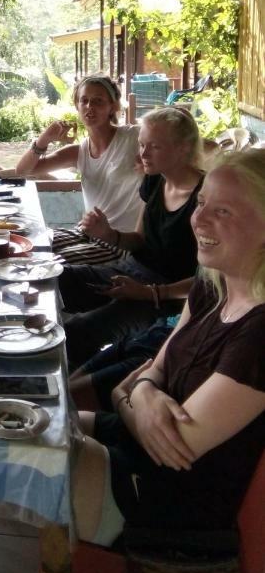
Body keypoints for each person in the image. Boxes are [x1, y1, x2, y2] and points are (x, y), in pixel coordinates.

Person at [72, 149, 265, 546]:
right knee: (25, 424)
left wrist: (133, 392)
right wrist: (141, 393)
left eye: (223, 211)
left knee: (20, 455)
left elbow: (173, 446)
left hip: (169, 505)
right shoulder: (212, 287)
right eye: (201, 203)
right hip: (136, 452)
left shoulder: (259, 334)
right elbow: (151, 372)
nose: (198, 219)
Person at [59, 106, 204, 367]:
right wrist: (108, 234)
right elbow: (138, 240)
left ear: (183, 148)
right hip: (131, 271)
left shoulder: (206, 200)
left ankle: (73, 393)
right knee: (57, 279)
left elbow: (212, 279)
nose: (143, 154)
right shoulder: (155, 180)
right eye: (141, 144)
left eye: (154, 146)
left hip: (169, 299)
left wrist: (151, 293)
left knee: (77, 333)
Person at [15, 74, 142, 263]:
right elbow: (24, 170)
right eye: (84, 101)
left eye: (98, 101)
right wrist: (45, 138)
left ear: (113, 106)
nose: (90, 107)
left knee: (49, 263)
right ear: (77, 106)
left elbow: (180, 139)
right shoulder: (79, 151)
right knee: (27, 245)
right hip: (85, 232)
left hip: (119, 242)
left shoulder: (134, 137)